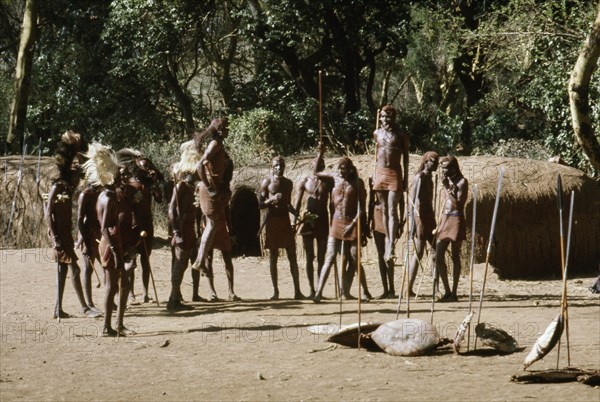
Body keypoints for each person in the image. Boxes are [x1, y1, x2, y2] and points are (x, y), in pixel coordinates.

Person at [45, 131, 100, 319]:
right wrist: (55, 237)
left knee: (62, 271)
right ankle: (85, 308)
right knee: (75, 269)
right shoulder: (58, 185)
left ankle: (57, 309)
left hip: (64, 234)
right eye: (75, 166)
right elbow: (48, 212)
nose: (78, 173)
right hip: (60, 235)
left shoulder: (67, 186)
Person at [313, 157, 371, 303]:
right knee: (330, 256)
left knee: (355, 258)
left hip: (352, 222)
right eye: (340, 169)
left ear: (350, 168)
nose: (342, 171)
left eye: (344, 169)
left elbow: (361, 208)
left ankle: (365, 291)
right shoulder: (334, 177)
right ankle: (318, 292)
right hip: (336, 222)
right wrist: (320, 154)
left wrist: (353, 225)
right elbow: (316, 172)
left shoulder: (357, 183)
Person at [90, 143, 133, 336]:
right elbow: (105, 227)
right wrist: (115, 250)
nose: (123, 176)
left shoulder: (111, 195)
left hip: (116, 242)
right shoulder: (106, 197)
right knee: (112, 285)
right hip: (110, 244)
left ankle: (118, 324)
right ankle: (107, 327)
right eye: (120, 173)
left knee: (123, 283)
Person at [117, 149, 163, 304]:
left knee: (146, 259)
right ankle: (130, 295)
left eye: (149, 168)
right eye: (145, 168)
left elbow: (159, 199)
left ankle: (145, 293)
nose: (148, 170)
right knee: (131, 259)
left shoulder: (149, 184)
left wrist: (155, 182)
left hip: (148, 223)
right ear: (137, 168)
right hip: (134, 225)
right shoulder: (130, 185)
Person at [259, 156, 304, 300]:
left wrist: (297, 215)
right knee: (273, 256)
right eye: (276, 165)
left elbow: (288, 204)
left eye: (281, 165)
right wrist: (271, 199)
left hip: (284, 221)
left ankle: (297, 291)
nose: (279, 168)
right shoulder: (266, 182)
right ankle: (275, 292)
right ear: (272, 166)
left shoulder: (288, 183)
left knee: (292, 255)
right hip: (272, 222)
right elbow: (260, 204)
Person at [292, 147, 333, 298]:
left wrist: (334, 221)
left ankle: (319, 289)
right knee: (310, 257)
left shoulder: (328, 182)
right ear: (311, 165)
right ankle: (311, 289)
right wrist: (294, 221)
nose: (319, 165)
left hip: (323, 219)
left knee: (322, 257)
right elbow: (296, 204)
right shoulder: (304, 181)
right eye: (316, 162)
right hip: (308, 220)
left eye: (322, 162)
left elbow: (332, 204)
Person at [372, 105, 409, 263]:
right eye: (382, 117)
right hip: (380, 172)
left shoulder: (401, 134)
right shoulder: (376, 133)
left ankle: (391, 246)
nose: (384, 120)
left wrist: (406, 178)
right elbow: (376, 156)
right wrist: (374, 174)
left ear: (394, 118)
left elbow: (406, 157)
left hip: (394, 173)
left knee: (392, 208)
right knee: (385, 209)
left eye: (388, 117)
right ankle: (388, 240)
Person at [167, 143, 200, 311]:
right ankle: (173, 300)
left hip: (188, 230)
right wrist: (176, 232)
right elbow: (171, 210)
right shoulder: (180, 186)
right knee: (179, 264)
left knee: (184, 264)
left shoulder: (190, 188)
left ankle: (175, 298)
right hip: (181, 230)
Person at [406, 152, 439, 297]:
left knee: (434, 252)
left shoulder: (430, 178)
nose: (436, 164)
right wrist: (412, 223)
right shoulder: (419, 178)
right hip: (420, 217)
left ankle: (436, 288)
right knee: (418, 252)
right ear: (426, 162)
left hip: (429, 216)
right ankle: (408, 287)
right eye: (434, 162)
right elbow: (412, 202)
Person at [435, 156, 468, 302]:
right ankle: (447, 291)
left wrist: (447, 188)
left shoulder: (462, 182)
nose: (443, 170)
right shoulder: (447, 181)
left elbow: (458, 205)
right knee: (437, 255)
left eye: (446, 167)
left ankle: (454, 292)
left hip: (456, 219)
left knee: (455, 256)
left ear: (454, 167)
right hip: (445, 219)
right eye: (442, 168)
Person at [367, 175, 396, 299]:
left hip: (389, 220)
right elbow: (371, 201)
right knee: (380, 255)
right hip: (377, 217)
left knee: (388, 256)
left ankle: (392, 289)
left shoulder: (392, 181)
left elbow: (399, 203)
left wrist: (400, 223)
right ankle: (385, 289)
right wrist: (368, 222)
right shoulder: (375, 179)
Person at [76, 181, 102, 314]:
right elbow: (80, 219)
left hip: (100, 232)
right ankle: (89, 303)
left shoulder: (101, 192)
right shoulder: (85, 195)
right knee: (88, 268)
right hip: (89, 234)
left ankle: (112, 300)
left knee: (108, 266)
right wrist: (84, 240)